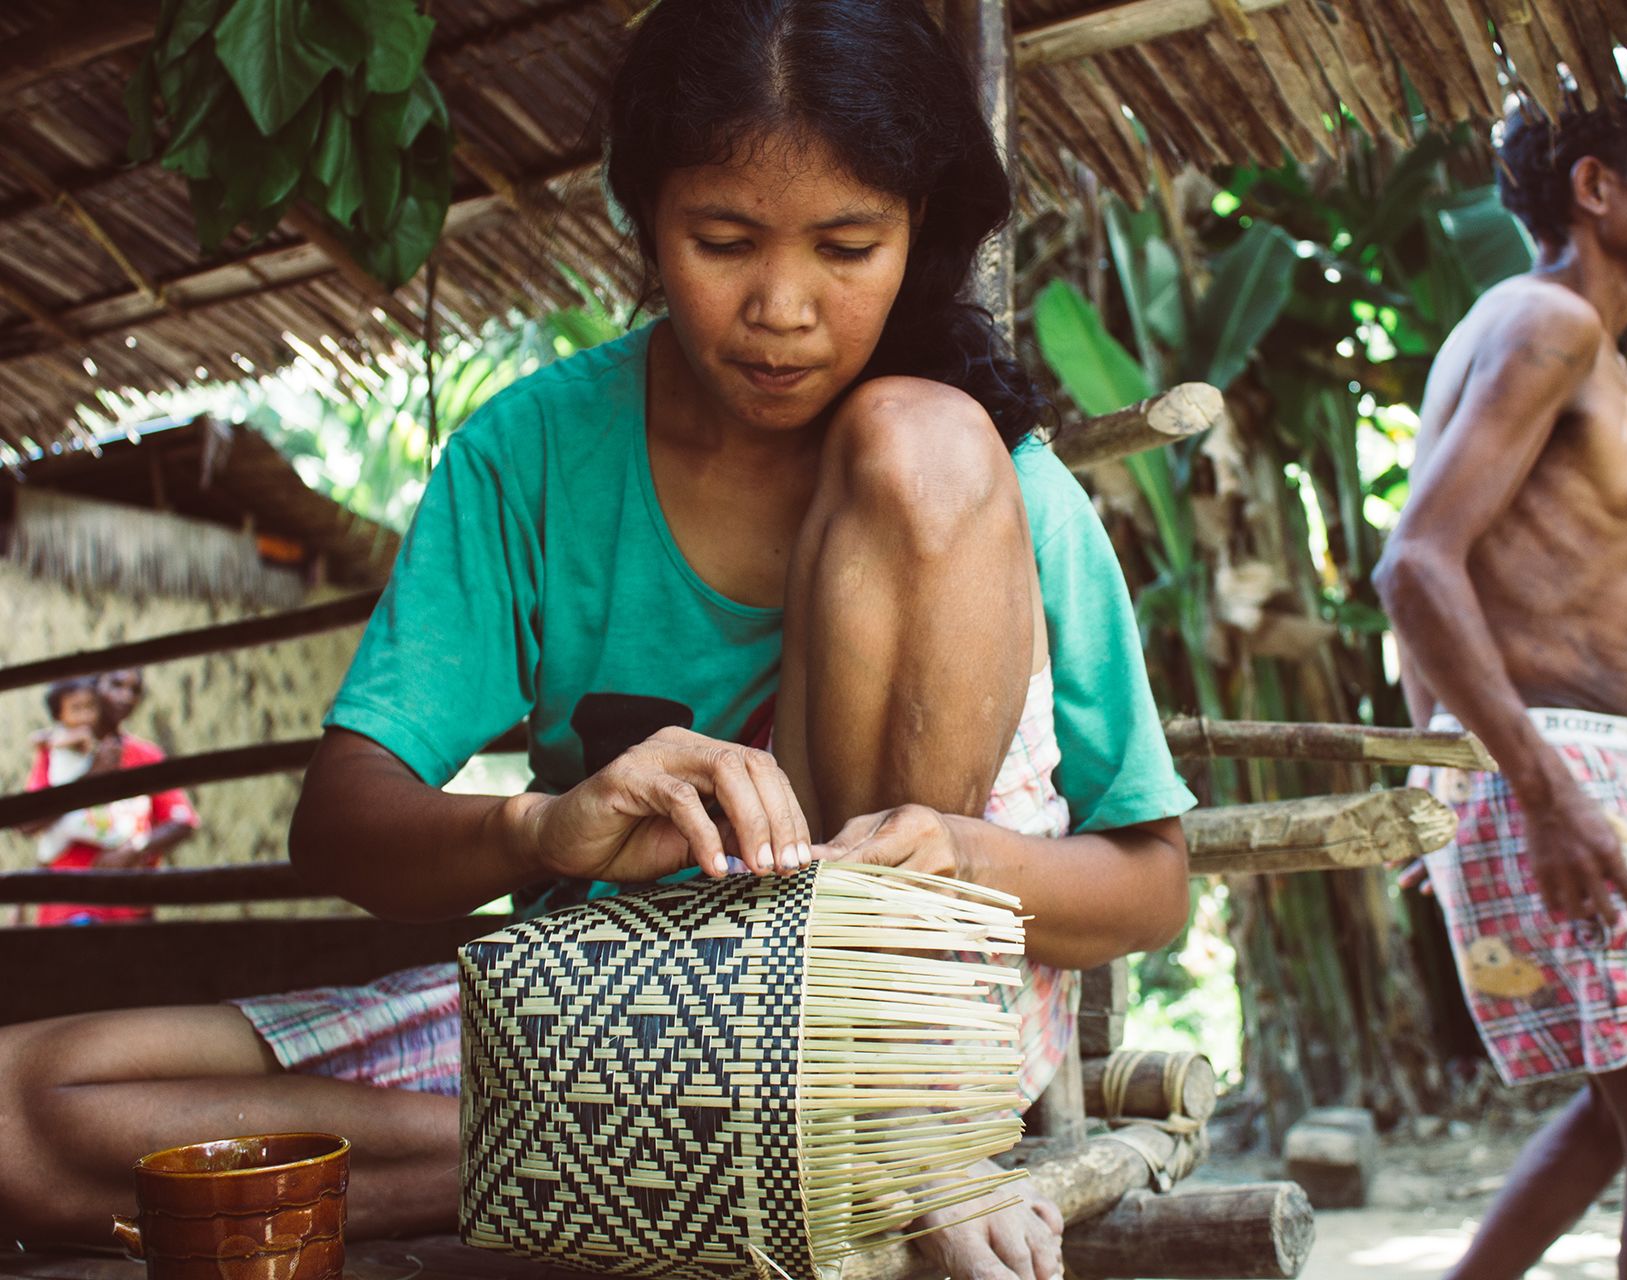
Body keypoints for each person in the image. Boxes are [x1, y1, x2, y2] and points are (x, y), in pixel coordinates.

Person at [0, 5, 1195, 1277]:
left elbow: (1148, 880)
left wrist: (953, 850)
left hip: (909, 1033)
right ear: (642, 215)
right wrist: (538, 828)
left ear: (920, 236)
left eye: (850, 245)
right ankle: (659, 1162)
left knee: (923, 437)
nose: (782, 307)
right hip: (611, 1021)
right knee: (30, 1108)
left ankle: (853, 1122)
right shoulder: (532, 455)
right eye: (723, 240)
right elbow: (343, 821)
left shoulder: (989, 477)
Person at [1373, 89, 1627, 1279]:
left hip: (1538, 764)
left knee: (1625, 1108)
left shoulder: (1543, 329)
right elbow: (1415, 563)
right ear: (1595, 186)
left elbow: (1444, 567)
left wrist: (1448, 773)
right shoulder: (1548, 326)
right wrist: (1530, 789)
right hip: (1547, 764)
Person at [23, 669, 198, 926]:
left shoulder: (143, 755)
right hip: (67, 908)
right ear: (93, 689)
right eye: (116, 685)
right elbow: (27, 823)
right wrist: (92, 777)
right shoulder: (58, 751)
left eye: (134, 690)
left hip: (128, 908)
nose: (125, 696)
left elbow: (182, 821)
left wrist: (136, 847)